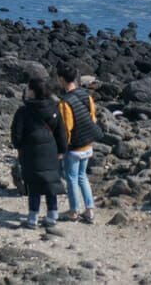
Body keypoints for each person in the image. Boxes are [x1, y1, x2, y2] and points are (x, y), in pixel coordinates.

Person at [11, 77, 68, 230]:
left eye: (28, 88)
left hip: (31, 152)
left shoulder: (23, 111)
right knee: (51, 184)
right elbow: (61, 133)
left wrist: (19, 147)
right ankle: (52, 216)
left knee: (34, 185)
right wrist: (62, 150)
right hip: (51, 150)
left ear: (33, 91)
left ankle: (32, 218)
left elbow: (16, 135)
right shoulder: (54, 109)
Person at [55, 65, 103, 224]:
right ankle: (89, 210)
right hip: (88, 144)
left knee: (72, 179)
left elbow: (66, 130)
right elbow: (93, 118)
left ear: (62, 79)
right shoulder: (86, 95)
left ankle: (73, 211)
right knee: (82, 177)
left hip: (74, 149)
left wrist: (61, 149)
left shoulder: (64, 103)